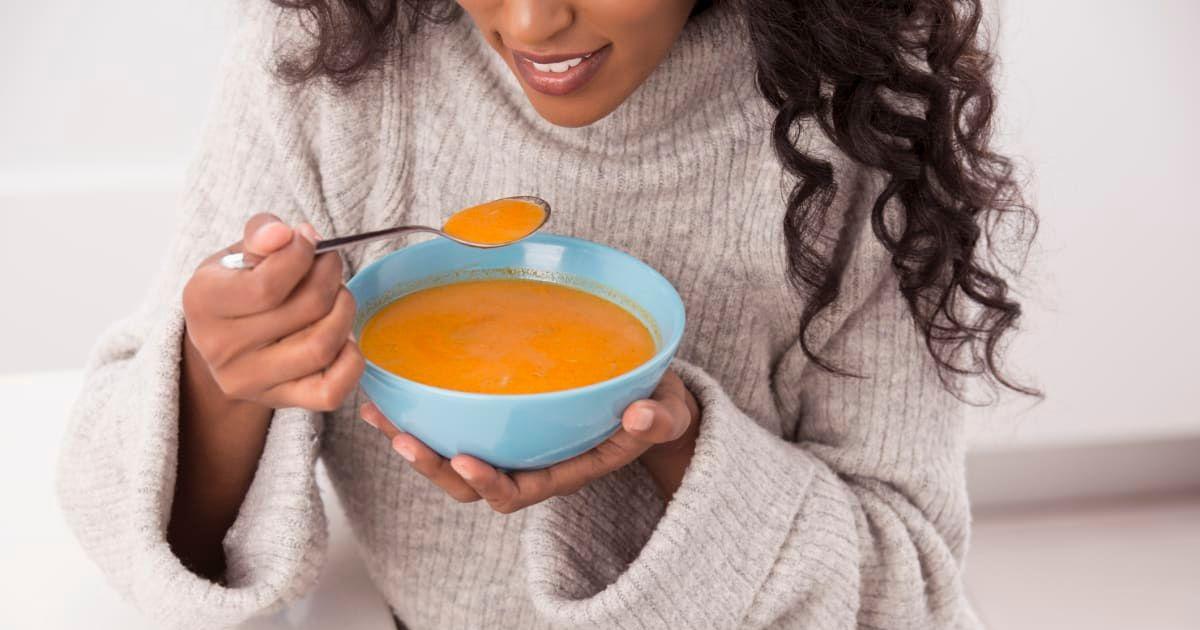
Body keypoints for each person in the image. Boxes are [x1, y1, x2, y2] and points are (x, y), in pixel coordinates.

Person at [57, 0, 1035, 627]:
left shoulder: (863, 123)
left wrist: (675, 447)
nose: (531, 22)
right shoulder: (326, 57)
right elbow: (117, 514)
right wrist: (217, 374)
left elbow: (909, 597)